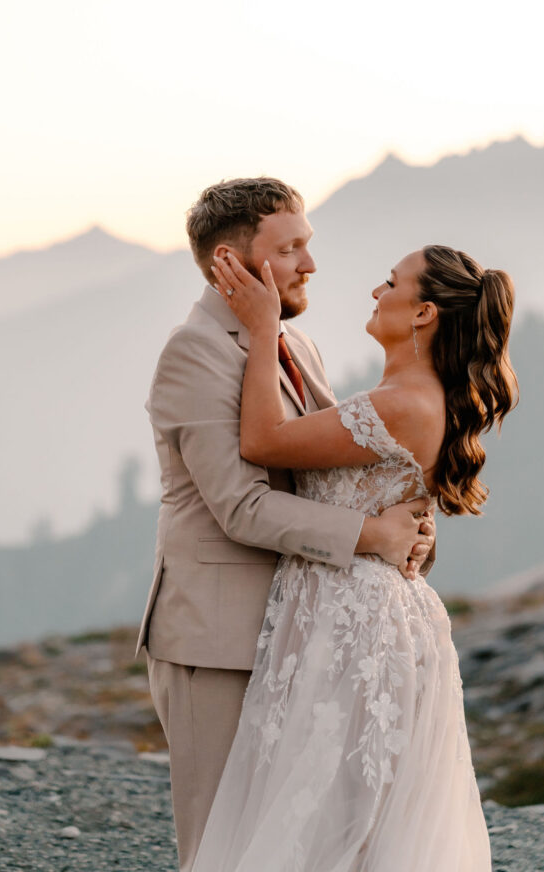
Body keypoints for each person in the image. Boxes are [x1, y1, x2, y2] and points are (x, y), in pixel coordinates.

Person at [136, 177, 436, 872]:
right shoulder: (194, 353)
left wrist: (409, 525)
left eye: (309, 244)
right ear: (230, 265)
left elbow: (337, 472)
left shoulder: (297, 348)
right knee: (222, 848)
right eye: (291, 248)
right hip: (215, 641)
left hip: (300, 629)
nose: (310, 264)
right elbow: (240, 507)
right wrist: (373, 537)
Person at [190, 243, 518, 872]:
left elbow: (262, 441)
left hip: (357, 623)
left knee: (326, 819)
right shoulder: (407, 395)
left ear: (423, 314)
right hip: (352, 609)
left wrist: (262, 329)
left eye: (390, 282)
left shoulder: (405, 403)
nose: (375, 292)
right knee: (337, 815)